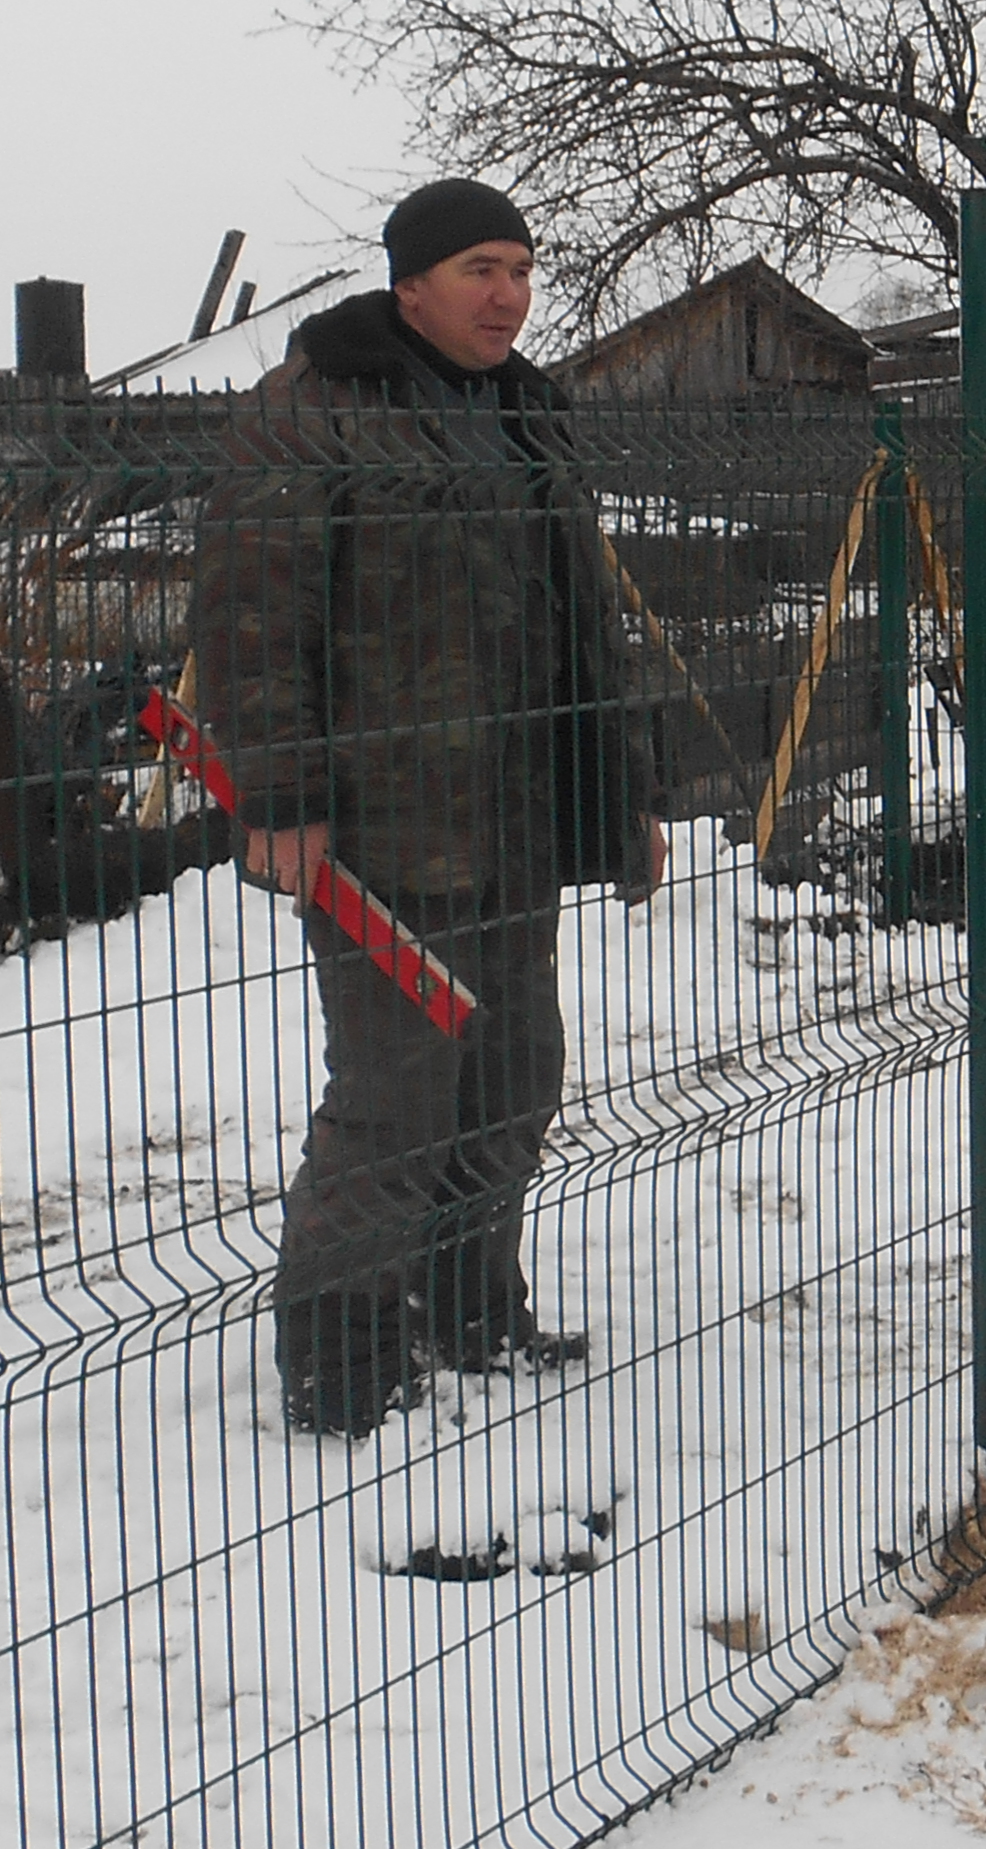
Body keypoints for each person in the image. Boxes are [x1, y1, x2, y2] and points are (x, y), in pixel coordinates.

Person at [190, 176, 661, 1437]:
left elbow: (586, 628)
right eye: (478, 271)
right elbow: (251, 620)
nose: (507, 295)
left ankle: (470, 1311)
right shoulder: (314, 411)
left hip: (513, 816)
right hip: (384, 827)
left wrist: (620, 793)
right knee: (394, 1098)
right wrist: (280, 794)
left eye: (519, 268)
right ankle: (343, 1362)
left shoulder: (525, 413)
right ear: (409, 286)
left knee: (514, 1077)